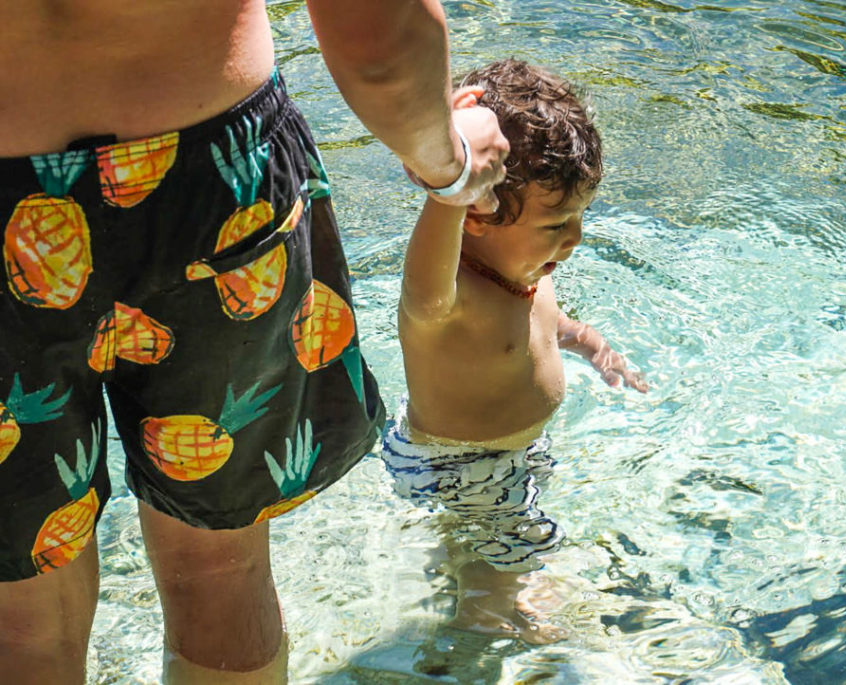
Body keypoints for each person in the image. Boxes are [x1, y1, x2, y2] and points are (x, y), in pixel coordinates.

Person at [0, 1, 508, 683]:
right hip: (214, 189)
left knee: (20, 624)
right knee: (219, 568)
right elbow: (379, 41)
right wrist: (450, 164)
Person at [383, 58, 648, 645]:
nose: (574, 238)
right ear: (478, 212)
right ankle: (480, 632)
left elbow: (543, 326)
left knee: (488, 539)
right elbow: (423, 295)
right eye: (557, 224)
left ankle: (475, 588)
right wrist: (450, 189)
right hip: (465, 462)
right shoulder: (449, 297)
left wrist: (587, 343)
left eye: (580, 218)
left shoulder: (524, 270)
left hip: (498, 454)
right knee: (516, 550)